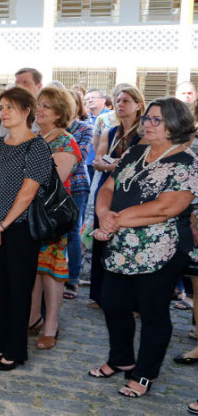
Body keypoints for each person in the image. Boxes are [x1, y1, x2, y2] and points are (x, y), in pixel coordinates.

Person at [89, 97, 198, 398]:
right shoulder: (136, 151)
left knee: (153, 313)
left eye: (156, 120)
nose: (147, 124)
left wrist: (114, 220)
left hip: (162, 248)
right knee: (113, 303)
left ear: (175, 125)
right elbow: (108, 187)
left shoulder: (186, 162)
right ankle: (121, 358)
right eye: (147, 118)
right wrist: (103, 214)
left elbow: (167, 208)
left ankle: (144, 374)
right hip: (122, 243)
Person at [0, 86, 53, 371]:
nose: (4, 113)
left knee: (18, 290)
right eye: (2, 108)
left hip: (21, 228)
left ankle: (15, 350)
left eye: (10, 107)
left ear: (26, 112)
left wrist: (4, 223)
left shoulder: (37, 146)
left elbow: (28, 191)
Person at [27, 87, 82, 351]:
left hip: (51, 216)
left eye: (46, 106)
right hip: (28, 213)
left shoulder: (65, 142)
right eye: (39, 104)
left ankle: (51, 324)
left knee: (51, 271)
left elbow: (51, 182)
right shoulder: (36, 136)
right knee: (34, 268)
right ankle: (33, 316)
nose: (40, 110)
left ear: (60, 112)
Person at [90, 86, 145, 307]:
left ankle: (128, 300)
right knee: (102, 238)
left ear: (138, 104)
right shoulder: (110, 131)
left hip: (131, 191)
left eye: (126, 101)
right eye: (118, 101)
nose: (121, 105)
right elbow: (99, 159)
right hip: (107, 188)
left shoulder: (143, 133)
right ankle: (101, 295)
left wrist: (112, 165)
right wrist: (113, 165)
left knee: (126, 241)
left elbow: (134, 165)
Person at [64, 90, 93, 300]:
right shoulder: (46, 129)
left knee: (73, 232)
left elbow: (78, 156)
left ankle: (73, 279)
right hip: (51, 188)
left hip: (76, 186)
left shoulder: (85, 128)